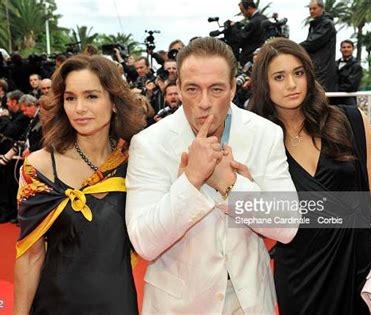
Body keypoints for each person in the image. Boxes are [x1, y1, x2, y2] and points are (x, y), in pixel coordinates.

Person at [125, 37, 299, 314]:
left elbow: (287, 226)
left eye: (216, 89)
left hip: (249, 300)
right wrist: (191, 182)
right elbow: (144, 242)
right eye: (192, 89)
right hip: (178, 304)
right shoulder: (149, 143)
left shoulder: (265, 133)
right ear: (178, 88)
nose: (204, 103)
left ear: (232, 88)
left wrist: (229, 185)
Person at [249, 37, 371, 314]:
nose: (291, 84)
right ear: (265, 85)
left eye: (298, 73)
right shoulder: (259, 141)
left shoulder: (351, 121)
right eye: (279, 76)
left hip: (359, 271)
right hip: (301, 277)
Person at [13, 54, 146, 314]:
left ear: (115, 102)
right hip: (55, 304)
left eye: (92, 96)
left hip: (117, 303)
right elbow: (30, 256)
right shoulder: (39, 167)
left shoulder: (135, 162)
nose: (79, 108)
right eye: (70, 98)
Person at [300, 0, 337, 92]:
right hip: (317, 67)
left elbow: (312, 43)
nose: (311, 11)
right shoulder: (315, 24)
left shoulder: (326, 24)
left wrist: (292, 47)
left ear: (322, 8)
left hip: (323, 68)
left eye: (314, 8)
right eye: (310, 9)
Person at [234, 0, 268, 65]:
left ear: (249, 8)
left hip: (249, 58)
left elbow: (240, 39)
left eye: (243, 11)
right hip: (263, 55)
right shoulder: (264, 18)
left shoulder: (253, 22)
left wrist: (235, 29)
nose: (243, 14)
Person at [332, 39, 363, 106]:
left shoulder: (356, 66)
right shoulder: (334, 64)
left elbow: (351, 85)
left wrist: (333, 90)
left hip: (348, 100)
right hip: (333, 100)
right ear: (340, 49)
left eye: (348, 47)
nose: (346, 49)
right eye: (344, 47)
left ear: (353, 49)